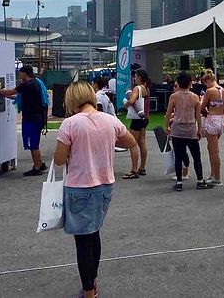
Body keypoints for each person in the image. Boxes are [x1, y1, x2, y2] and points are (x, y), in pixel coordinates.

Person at [54, 81, 139, 298]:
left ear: (71, 99)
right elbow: (130, 142)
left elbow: (59, 160)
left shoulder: (70, 124)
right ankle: (92, 280)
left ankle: (89, 290)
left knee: (82, 241)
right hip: (104, 184)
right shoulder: (110, 120)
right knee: (94, 234)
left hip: (80, 186)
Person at [165, 72, 213, 191]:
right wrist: (200, 129)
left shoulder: (174, 96)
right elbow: (198, 115)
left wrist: (166, 126)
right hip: (190, 128)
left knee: (178, 156)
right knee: (196, 156)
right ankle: (200, 180)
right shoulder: (195, 97)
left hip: (177, 129)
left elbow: (168, 112)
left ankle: (179, 182)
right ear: (190, 83)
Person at [0, 65, 48, 176]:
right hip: (37, 118)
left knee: (32, 144)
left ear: (25, 73)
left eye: (20, 73)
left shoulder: (26, 85)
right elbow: (17, 97)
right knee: (35, 143)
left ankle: (36, 167)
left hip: (31, 119)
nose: (19, 75)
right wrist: (5, 95)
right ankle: (40, 164)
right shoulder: (36, 83)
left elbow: (11, 92)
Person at [124, 69, 150, 178]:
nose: (134, 78)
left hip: (137, 118)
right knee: (142, 142)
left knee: (132, 143)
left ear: (139, 77)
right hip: (145, 117)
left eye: (135, 76)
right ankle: (142, 167)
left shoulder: (137, 88)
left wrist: (125, 105)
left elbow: (132, 100)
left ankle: (134, 170)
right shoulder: (146, 88)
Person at [200, 70, 224, 185]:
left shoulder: (210, 91)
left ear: (208, 80)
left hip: (212, 119)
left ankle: (217, 177)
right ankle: (213, 174)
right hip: (221, 119)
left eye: (205, 83)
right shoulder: (223, 89)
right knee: (211, 149)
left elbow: (202, 106)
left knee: (214, 151)